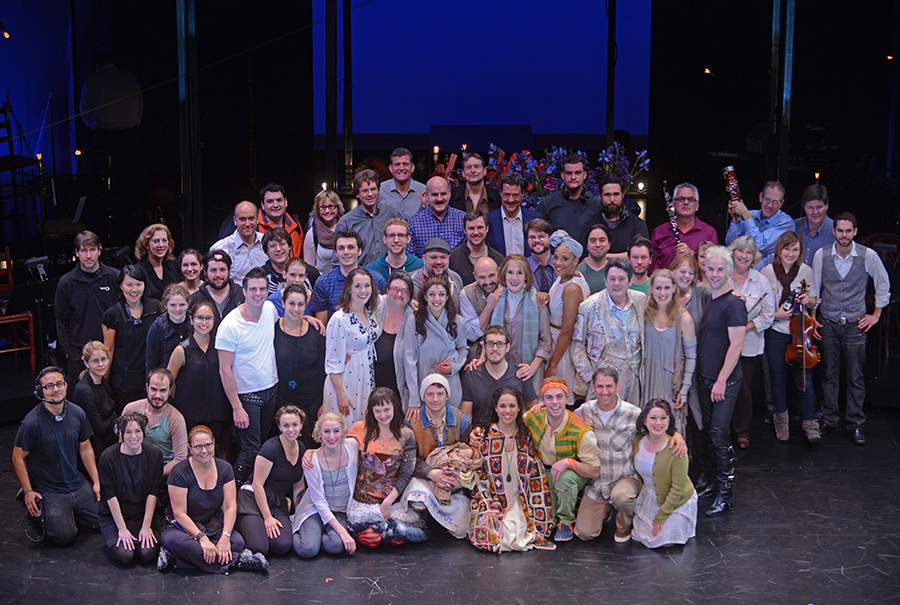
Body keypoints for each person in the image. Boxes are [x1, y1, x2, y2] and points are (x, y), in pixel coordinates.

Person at [572, 368, 686, 543]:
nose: (604, 391)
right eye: (600, 386)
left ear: (617, 385)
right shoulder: (585, 411)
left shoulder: (632, 413)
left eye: (609, 386)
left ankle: (623, 526)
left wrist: (676, 435)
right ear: (593, 387)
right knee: (584, 533)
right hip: (597, 483)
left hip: (624, 478)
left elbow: (656, 427)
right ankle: (606, 511)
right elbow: (564, 418)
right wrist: (541, 406)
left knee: (622, 497)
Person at [812, 212, 890, 445]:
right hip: (828, 322)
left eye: (848, 231)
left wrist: (875, 315)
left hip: (855, 324)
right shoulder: (821, 255)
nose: (843, 235)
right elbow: (816, 288)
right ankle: (829, 418)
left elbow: (883, 284)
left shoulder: (868, 256)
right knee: (829, 373)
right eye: (840, 231)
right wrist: (813, 317)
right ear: (833, 231)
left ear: (855, 232)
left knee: (855, 376)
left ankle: (856, 423)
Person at [159, 425, 267, 573]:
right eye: (198, 447)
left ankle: (178, 558)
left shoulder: (225, 468)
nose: (204, 451)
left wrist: (225, 536)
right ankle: (239, 561)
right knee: (183, 544)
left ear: (214, 443)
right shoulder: (179, 472)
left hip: (212, 524)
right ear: (190, 448)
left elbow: (230, 506)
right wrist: (202, 539)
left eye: (208, 445)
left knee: (236, 542)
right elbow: (179, 514)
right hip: (182, 528)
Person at [12, 366, 100, 545]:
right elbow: (17, 457)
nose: (55, 389)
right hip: (50, 489)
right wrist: (28, 491)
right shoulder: (31, 424)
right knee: (65, 536)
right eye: (49, 386)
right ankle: (41, 512)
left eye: (59, 384)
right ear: (40, 391)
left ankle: (70, 512)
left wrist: (96, 481)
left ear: (66, 386)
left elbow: (85, 449)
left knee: (103, 520)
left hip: (76, 482)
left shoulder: (77, 413)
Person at [468, 386, 555, 553]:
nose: (507, 411)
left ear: (519, 408)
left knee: (518, 537)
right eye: (502, 406)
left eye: (512, 406)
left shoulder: (527, 437)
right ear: (495, 408)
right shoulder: (484, 437)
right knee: (493, 538)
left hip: (521, 501)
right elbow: (478, 476)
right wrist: (488, 505)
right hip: (492, 501)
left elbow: (536, 475)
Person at [694, 246, 747, 516]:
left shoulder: (734, 303)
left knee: (718, 433)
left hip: (722, 381)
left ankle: (726, 493)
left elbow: (736, 345)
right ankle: (714, 483)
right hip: (706, 379)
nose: (714, 274)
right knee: (709, 433)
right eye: (710, 268)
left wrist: (722, 380)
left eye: (719, 270)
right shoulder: (711, 299)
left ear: (729, 272)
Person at [216, 266, 280, 485]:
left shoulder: (270, 309)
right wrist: (237, 407)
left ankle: (252, 492)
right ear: (244, 291)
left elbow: (287, 322)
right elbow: (224, 369)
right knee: (251, 450)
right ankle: (227, 495)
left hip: (271, 390)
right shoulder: (230, 325)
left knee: (264, 447)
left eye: (262, 289)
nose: (258, 293)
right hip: (247, 397)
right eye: (253, 289)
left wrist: (309, 320)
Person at [760, 232, 821, 443]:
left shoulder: (806, 271)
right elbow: (762, 306)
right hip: (776, 332)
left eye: (795, 250)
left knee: (804, 379)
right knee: (777, 378)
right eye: (787, 249)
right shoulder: (767, 273)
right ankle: (781, 419)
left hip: (799, 332)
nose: (791, 253)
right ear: (779, 250)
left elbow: (815, 301)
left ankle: (809, 422)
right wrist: (777, 314)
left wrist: (808, 299)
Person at [524, 377, 600, 542]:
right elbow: (513, 423)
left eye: (559, 396)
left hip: (572, 472)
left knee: (564, 479)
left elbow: (594, 471)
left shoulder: (581, 430)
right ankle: (557, 509)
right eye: (549, 397)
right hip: (544, 470)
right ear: (542, 401)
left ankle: (566, 521)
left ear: (567, 398)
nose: (555, 402)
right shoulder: (534, 416)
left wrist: (569, 463)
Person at [346, 388, 424, 548]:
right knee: (372, 540)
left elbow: (406, 474)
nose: (383, 415)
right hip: (363, 503)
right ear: (371, 411)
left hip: (391, 502)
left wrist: (388, 502)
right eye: (378, 411)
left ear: (395, 407)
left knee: (397, 536)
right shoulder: (359, 429)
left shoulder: (406, 435)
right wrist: (312, 453)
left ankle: (384, 529)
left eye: (387, 409)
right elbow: (336, 450)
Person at [403, 374, 478, 539]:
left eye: (440, 394)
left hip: (452, 479)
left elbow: (468, 454)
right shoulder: (411, 422)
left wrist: (458, 476)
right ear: (423, 396)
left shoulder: (461, 420)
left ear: (447, 395)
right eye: (430, 394)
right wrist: (431, 473)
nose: (435, 399)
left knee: (462, 527)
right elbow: (408, 458)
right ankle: (423, 521)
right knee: (417, 498)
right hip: (425, 476)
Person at [572, 257, 647, 404]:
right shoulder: (589, 306)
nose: (616, 283)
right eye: (612, 279)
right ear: (605, 280)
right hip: (602, 384)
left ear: (630, 281)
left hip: (634, 381)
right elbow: (576, 348)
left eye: (621, 279)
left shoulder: (640, 300)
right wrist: (592, 379)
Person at [237, 406, 307, 557]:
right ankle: (243, 526)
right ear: (280, 426)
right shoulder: (270, 448)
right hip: (253, 498)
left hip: (277, 502)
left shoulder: (301, 448)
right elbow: (257, 484)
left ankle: (258, 528)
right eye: (286, 425)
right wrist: (268, 517)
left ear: (301, 425)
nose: (291, 429)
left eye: (295, 424)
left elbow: (298, 486)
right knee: (259, 547)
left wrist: (300, 515)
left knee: (282, 545)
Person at [97, 412, 164, 566]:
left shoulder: (154, 455)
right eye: (128, 432)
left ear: (144, 432)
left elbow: (153, 493)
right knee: (125, 556)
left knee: (147, 554)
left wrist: (146, 526)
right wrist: (122, 529)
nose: (133, 436)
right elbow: (110, 495)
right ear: (121, 434)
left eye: (137, 431)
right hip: (115, 516)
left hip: (143, 514)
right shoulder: (108, 457)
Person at [727, 236, 775, 449]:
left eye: (748, 252)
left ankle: (741, 431)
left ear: (754, 256)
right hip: (722, 344)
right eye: (740, 251)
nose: (744, 256)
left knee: (744, 389)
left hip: (749, 344)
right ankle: (721, 429)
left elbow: (768, 315)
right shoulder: (721, 276)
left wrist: (742, 327)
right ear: (733, 252)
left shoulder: (761, 280)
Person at [168, 301, 231, 458]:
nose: (204, 322)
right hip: (190, 417)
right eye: (199, 318)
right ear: (191, 319)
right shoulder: (182, 350)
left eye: (208, 318)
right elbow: (168, 384)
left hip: (219, 416)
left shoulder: (221, 346)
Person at [631, 399, 697, 548]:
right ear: (645, 421)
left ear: (669, 420)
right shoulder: (638, 441)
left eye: (663, 418)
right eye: (653, 418)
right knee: (641, 537)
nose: (658, 423)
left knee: (665, 541)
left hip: (675, 500)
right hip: (649, 497)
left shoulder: (677, 449)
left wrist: (661, 516)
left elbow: (677, 489)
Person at [55, 231, 120, 381]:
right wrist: (69, 353)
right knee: (81, 400)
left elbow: (122, 314)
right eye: (83, 250)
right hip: (80, 355)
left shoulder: (114, 277)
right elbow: (61, 320)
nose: (88, 255)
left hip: (110, 352)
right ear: (77, 253)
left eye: (92, 250)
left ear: (99, 250)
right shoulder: (66, 283)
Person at [292, 412, 358, 557]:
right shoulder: (312, 462)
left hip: (339, 510)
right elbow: (319, 502)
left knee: (336, 546)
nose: (332, 436)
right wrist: (343, 533)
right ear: (319, 434)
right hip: (316, 508)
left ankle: (317, 533)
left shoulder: (352, 446)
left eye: (336, 431)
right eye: (326, 432)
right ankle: (298, 530)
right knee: (308, 550)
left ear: (342, 432)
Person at [641, 270, 697, 435]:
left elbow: (691, 357)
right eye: (658, 288)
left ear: (674, 288)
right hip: (646, 380)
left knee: (669, 426)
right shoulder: (644, 312)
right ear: (651, 289)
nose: (662, 292)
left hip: (669, 382)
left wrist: (684, 389)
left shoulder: (684, 318)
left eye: (666, 287)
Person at [322, 268, 381, 425]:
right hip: (346, 380)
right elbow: (332, 361)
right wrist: (340, 393)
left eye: (367, 285)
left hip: (365, 376)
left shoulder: (369, 312)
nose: (363, 291)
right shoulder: (339, 319)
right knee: (347, 426)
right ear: (349, 289)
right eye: (358, 286)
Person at [403, 275, 469, 412]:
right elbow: (409, 360)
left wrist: (453, 365)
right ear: (425, 297)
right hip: (423, 384)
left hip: (449, 384)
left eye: (441, 294)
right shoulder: (414, 321)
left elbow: (463, 349)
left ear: (447, 297)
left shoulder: (457, 321)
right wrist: (414, 397)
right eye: (432, 294)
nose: (437, 299)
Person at [489, 255, 552, 394]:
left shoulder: (537, 301)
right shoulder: (496, 298)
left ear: (526, 276)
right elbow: (488, 335)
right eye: (510, 272)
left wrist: (533, 366)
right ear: (504, 274)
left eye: (520, 273)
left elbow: (546, 340)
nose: (514, 278)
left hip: (528, 370)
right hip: (500, 369)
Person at [273, 285, 326, 450]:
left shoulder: (316, 331)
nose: (296, 309)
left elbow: (323, 369)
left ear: (306, 304)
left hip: (311, 401)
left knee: (310, 447)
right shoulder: (272, 329)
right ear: (283, 303)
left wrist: (323, 402)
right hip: (281, 400)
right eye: (291, 304)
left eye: (300, 304)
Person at [102, 264, 161, 407]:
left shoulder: (157, 308)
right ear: (121, 286)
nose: (134, 290)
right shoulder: (112, 314)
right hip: (123, 385)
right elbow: (108, 351)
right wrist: (104, 387)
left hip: (151, 382)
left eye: (138, 284)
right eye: (129, 284)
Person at [543, 230, 591, 405]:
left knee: (559, 399)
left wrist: (553, 364)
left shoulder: (572, 288)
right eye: (556, 257)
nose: (558, 262)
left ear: (576, 261)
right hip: (554, 341)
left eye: (565, 259)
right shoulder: (563, 277)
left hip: (562, 350)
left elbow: (567, 331)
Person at [670, 251, 711, 452]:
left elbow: (723, 295)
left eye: (690, 273)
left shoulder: (702, 293)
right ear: (673, 271)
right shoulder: (664, 296)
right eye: (682, 271)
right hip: (671, 365)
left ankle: (699, 462)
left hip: (697, 364)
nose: (686, 276)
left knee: (697, 414)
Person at [306, 228, 387, 322]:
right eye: (341, 248)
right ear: (336, 253)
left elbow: (384, 316)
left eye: (351, 247)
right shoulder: (323, 282)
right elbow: (322, 328)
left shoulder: (376, 279)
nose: (346, 252)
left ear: (360, 251)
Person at [461, 325, 538, 422]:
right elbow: (466, 415)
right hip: (481, 434)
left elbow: (533, 409)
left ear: (507, 347)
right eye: (490, 343)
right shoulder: (471, 374)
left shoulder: (521, 373)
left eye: (500, 344)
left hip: (513, 434)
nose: (495, 348)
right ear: (484, 347)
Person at [122, 369, 188, 477]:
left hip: (162, 474)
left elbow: (180, 459)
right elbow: (121, 444)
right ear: (147, 387)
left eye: (162, 390)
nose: (157, 395)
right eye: (153, 389)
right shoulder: (131, 409)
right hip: (131, 470)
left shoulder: (176, 419)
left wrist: (153, 475)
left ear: (170, 390)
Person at [335, 169, 403, 267]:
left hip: (389, 275)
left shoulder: (391, 214)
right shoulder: (347, 221)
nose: (370, 194)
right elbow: (337, 260)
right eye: (365, 191)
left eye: (373, 189)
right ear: (357, 194)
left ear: (379, 190)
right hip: (359, 277)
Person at [650, 182, 718, 273]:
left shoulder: (709, 232)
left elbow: (714, 266)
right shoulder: (659, 232)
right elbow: (651, 269)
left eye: (690, 199)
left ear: (697, 206)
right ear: (673, 205)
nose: (686, 202)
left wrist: (692, 254)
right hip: (666, 286)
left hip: (698, 286)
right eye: (681, 199)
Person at [538, 153, 603, 248]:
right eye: (569, 173)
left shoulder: (596, 204)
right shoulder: (547, 204)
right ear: (562, 175)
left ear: (584, 175)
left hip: (587, 261)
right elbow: (538, 237)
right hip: (555, 261)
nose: (573, 177)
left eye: (577, 173)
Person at [726, 180, 794, 270]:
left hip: (768, 278)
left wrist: (745, 215)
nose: (770, 205)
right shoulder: (750, 215)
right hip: (740, 273)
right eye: (767, 200)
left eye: (775, 202)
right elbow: (731, 245)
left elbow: (760, 245)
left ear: (781, 203)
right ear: (761, 197)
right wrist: (736, 221)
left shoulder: (786, 222)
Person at [373, 271, 416, 407]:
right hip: (372, 387)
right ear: (387, 290)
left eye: (404, 291)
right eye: (395, 289)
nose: (399, 294)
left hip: (399, 390)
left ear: (410, 295)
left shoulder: (415, 319)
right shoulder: (375, 308)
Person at [71, 341, 118, 455]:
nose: (101, 364)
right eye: (95, 361)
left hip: (106, 438)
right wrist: (115, 418)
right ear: (86, 363)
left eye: (104, 359)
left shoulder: (102, 381)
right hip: (94, 446)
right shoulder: (84, 391)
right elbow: (100, 428)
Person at [585, 174, 649, 256]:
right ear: (600, 196)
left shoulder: (636, 225)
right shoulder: (590, 224)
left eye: (616, 194)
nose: (612, 199)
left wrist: (601, 256)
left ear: (623, 195)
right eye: (607, 195)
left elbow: (640, 256)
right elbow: (583, 259)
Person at [486, 172, 543, 257]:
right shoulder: (488, 220)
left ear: (522, 194)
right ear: (500, 193)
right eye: (507, 195)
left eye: (515, 195)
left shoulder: (535, 219)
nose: (511, 200)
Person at [407, 176, 467, 258]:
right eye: (434, 195)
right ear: (426, 196)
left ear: (449, 194)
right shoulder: (413, 224)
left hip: (457, 270)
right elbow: (410, 258)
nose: (439, 199)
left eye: (443, 194)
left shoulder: (463, 219)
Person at [210, 201, 268, 284]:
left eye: (251, 218)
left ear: (257, 219)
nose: (247, 224)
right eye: (242, 219)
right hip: (234, 296)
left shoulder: (268, 243)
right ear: (235, 221)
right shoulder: (221, 248)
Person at [146, 283, 192, 376]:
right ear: (166, 305)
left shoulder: (195, 323)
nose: (178, 309)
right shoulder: (157, 328)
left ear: (188, 304)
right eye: (173, 305)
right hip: (167, 381)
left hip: (191, 378)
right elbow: (151, 363)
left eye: (182, 304)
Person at [449, 210, 505, 286]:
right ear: (464, 230)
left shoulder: (498, 259)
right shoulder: (453, 258)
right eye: (471, 228)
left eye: (480, 227)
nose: (476, 233)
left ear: (487, 228)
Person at [189, 250, 245, 325]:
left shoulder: (243, 295)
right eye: (213, 270)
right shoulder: (195, 300)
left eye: (222, 270)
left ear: (229, 271)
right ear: (205, 272)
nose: (218, 275)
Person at [364, 218, 424, 282]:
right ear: (384, 239)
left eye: (401, 235)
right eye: (391, 235)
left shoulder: (421, 266)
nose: (396, 240)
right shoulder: (372, 269)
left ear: (408, 239)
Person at [411, 238, 464, 307]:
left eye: (443, 257)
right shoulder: (410, 283)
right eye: (433, 257)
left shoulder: (456, 280)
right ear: (424, 259)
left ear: (448, 258)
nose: (438, 262)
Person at [459, 256, 500, 343]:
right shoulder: (467, 293)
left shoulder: (508, 288)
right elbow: (471, 335)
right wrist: (489, 306)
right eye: (482, 277)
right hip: (478, 349)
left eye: (491, 275)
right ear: (475, 277)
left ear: (499, 272)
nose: (488, 282)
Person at [134, 223, 180, 301]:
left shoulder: (173, 263)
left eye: (164, 240)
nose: (161, 245)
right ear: (147, 245)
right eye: (156, 241)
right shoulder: (139, 270)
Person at [257, 183, 304, 259]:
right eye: (270, 201)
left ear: (285, 202)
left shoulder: (295, 226)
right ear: (262, 205)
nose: (275, 205)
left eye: (279, 200)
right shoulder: (255, 227)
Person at [379, 147, 427, 220]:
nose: (401, 168)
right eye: (397, 164)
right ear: (391, 168)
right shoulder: (380, 190)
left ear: (412, 167)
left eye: (405, 164)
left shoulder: (424, 190)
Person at [304, 189, 344, 274]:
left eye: (331, 206)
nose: (327, 211)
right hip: (322, 283)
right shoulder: (313, 233)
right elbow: (309, 268)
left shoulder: (346, 229)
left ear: (338, 208)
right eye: (322, 207)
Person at [795, 184, 835, 267]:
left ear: (827, 205)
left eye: (819, 207)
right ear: (804, 207)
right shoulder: (795, 226)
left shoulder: (836, 231)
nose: (815, 212)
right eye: (810, 207)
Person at [577, 223, 611, 294]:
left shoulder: (615, 270)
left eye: (602, 240)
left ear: (609, 244)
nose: (598, 244)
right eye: (593, 241)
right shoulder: (578, 272)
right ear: (587, 245)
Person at [527, 218, 557, 294]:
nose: (536, 241)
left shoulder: (562, 265)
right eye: (532, 237)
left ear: (550, 238)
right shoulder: (522, 268)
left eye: (541, 236)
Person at [261, 227, 292, 294]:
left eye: (282, 244)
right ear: (266, 251)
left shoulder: (308, 272)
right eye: (272, 246)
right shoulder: (259, 276)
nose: (278, 249)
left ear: (289, 246)